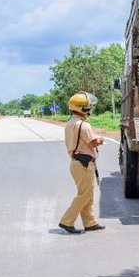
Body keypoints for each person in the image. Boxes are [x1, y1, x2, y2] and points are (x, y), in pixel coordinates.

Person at [58, 92, 105, 234]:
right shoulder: (83, 125)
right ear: (83, 108)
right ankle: (66, 221)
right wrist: (101, 139)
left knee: (87, 194)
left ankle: (90, 223)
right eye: (89, 106)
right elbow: (93, 143)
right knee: (84, 195)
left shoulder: (70, 123)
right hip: (84, 163)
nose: (90, 108)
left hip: (77, 162)